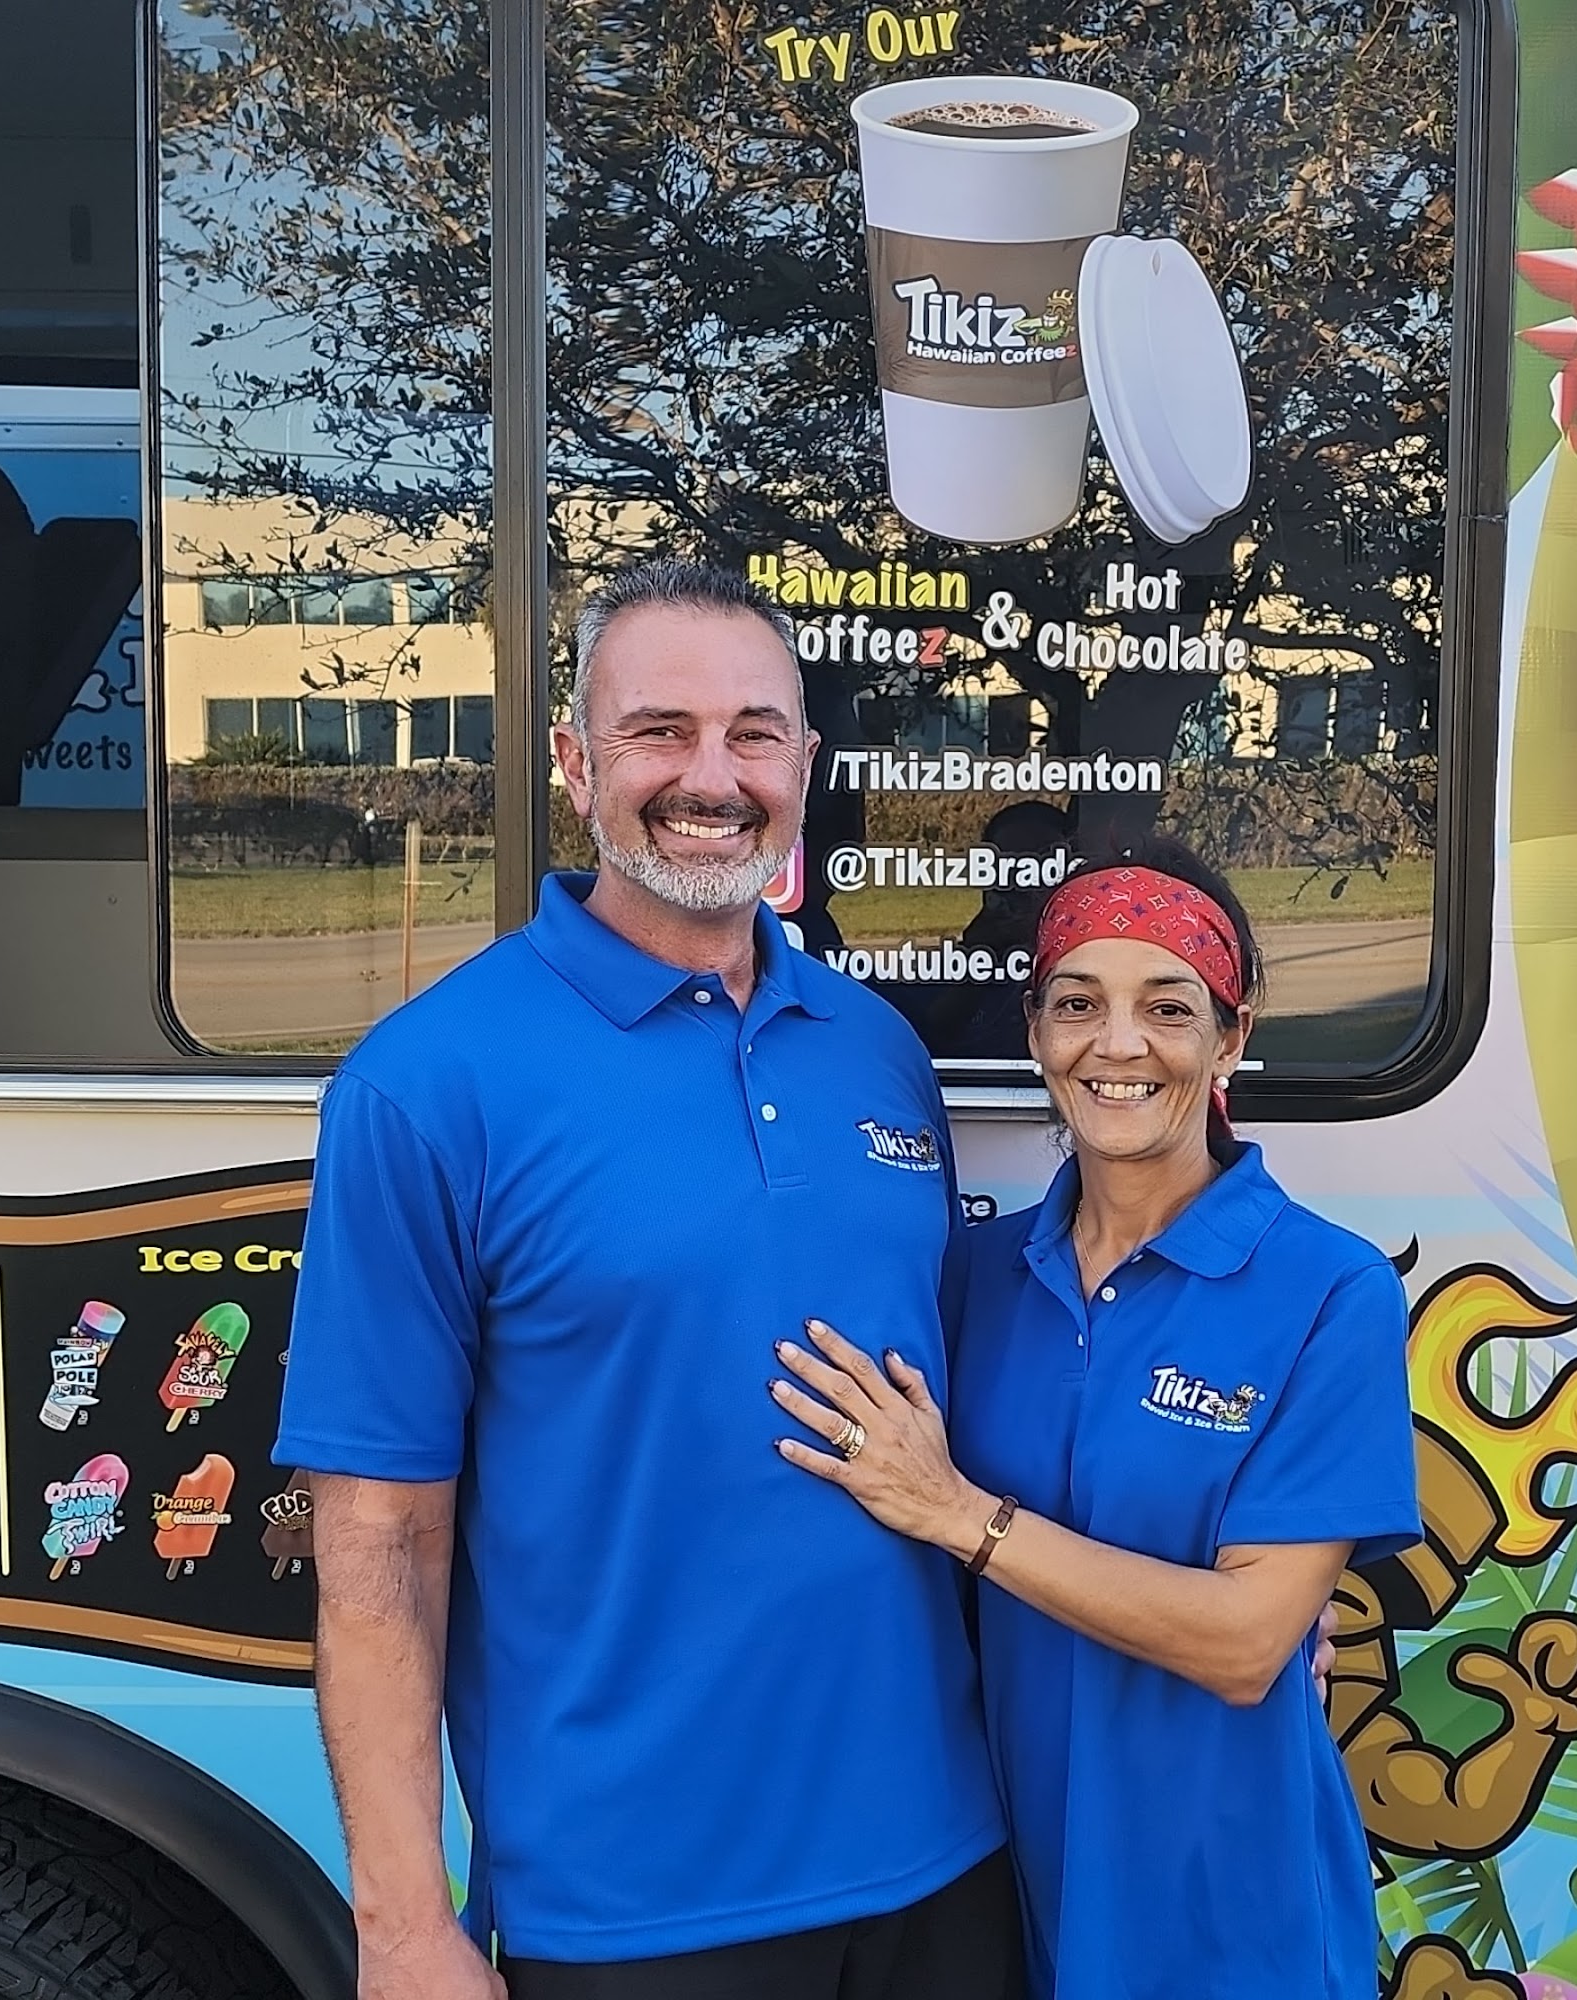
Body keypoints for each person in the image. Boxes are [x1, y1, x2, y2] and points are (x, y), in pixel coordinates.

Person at [275, 561, 1021, 2000]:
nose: (711, 777)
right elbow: (378, 1542)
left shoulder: (876, 1052)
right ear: (575, 763)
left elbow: (976, 1412)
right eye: (659, 730)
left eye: (754, 734)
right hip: (630, 1905)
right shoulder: (429, 1083)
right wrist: (403, 1924)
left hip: (942, 1858)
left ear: (804, 765)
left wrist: (1242, 1573)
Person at [774, 840, 1421, 2000]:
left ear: (1230, 1036)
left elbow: (1244, 1644)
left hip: (1224, 1905)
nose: (1117, 1044)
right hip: (992, 1895)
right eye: (1077, 1003)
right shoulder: (973, 1272)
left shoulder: (1328, 1288)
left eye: (1167, 1006)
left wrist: (963, 1515)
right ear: (1035, 1032)